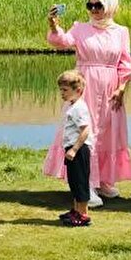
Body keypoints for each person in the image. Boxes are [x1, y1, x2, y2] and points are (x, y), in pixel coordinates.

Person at [44, 0, 131, 206]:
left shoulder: (121, 31)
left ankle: (103, 180)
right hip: (84, 86)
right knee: (85, 130)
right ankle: (86, 183)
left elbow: (125, 62)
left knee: (107, 131)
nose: (94, 10)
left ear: (110, 6)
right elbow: (61, 41)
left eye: (99, 5)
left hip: (110, 88)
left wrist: (122, 87)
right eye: (90, 5)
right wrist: (54, 25)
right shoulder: (80, 28)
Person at [55, 69, 94, 227]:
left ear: (77, 90)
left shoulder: (79, 108)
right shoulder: (73, 105)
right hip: (72, 149)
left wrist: (74, 149)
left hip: (79, 150)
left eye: (65, 90)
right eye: (60, 90)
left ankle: (83, 214)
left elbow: (85, 130)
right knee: (73, 181)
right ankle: (76, 210)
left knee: (80, 182)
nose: (62, 94)